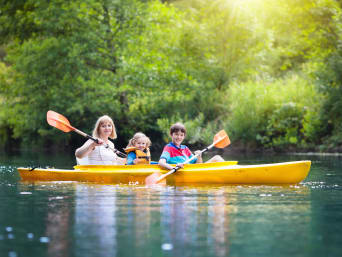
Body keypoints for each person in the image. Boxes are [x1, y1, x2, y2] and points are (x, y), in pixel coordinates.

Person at [159, 122, 224, 170]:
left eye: (181, 135)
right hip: (182, 171)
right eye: (176, 134)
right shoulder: (168, 148)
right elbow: (161, 162)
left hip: (193, 170)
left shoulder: (185, 148)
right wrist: (173, 167)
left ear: (184, 136)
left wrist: (199, 157)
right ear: (171, 134)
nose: (179, 137)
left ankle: (231, 171)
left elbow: (198, 165)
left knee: (217, 158)